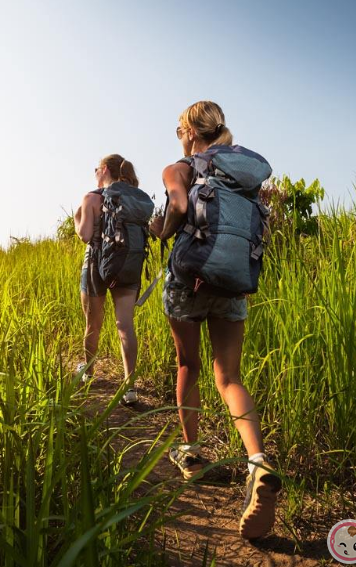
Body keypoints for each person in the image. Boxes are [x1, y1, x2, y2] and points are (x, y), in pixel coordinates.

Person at [149, 101, 282, 540]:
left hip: (189, 280)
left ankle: (191, 455)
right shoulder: (242, 174)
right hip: (233, 282)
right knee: (229, 377)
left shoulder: (181, 168)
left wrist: (160, 229)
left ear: (190, 131)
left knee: (188, 365)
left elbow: (177, 206)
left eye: (179, 130)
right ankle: (258, 462)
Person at [74, 154, 150, 405]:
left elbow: (85, 235)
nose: (95, 173)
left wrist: (76, 219)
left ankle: (88, 371)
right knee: (125, 325)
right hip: (127, 263)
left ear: (104, 169)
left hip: (96, 264)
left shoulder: (92, 197)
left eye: (96, 169)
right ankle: (130, 387)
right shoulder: (133, 199)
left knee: (93, 323)